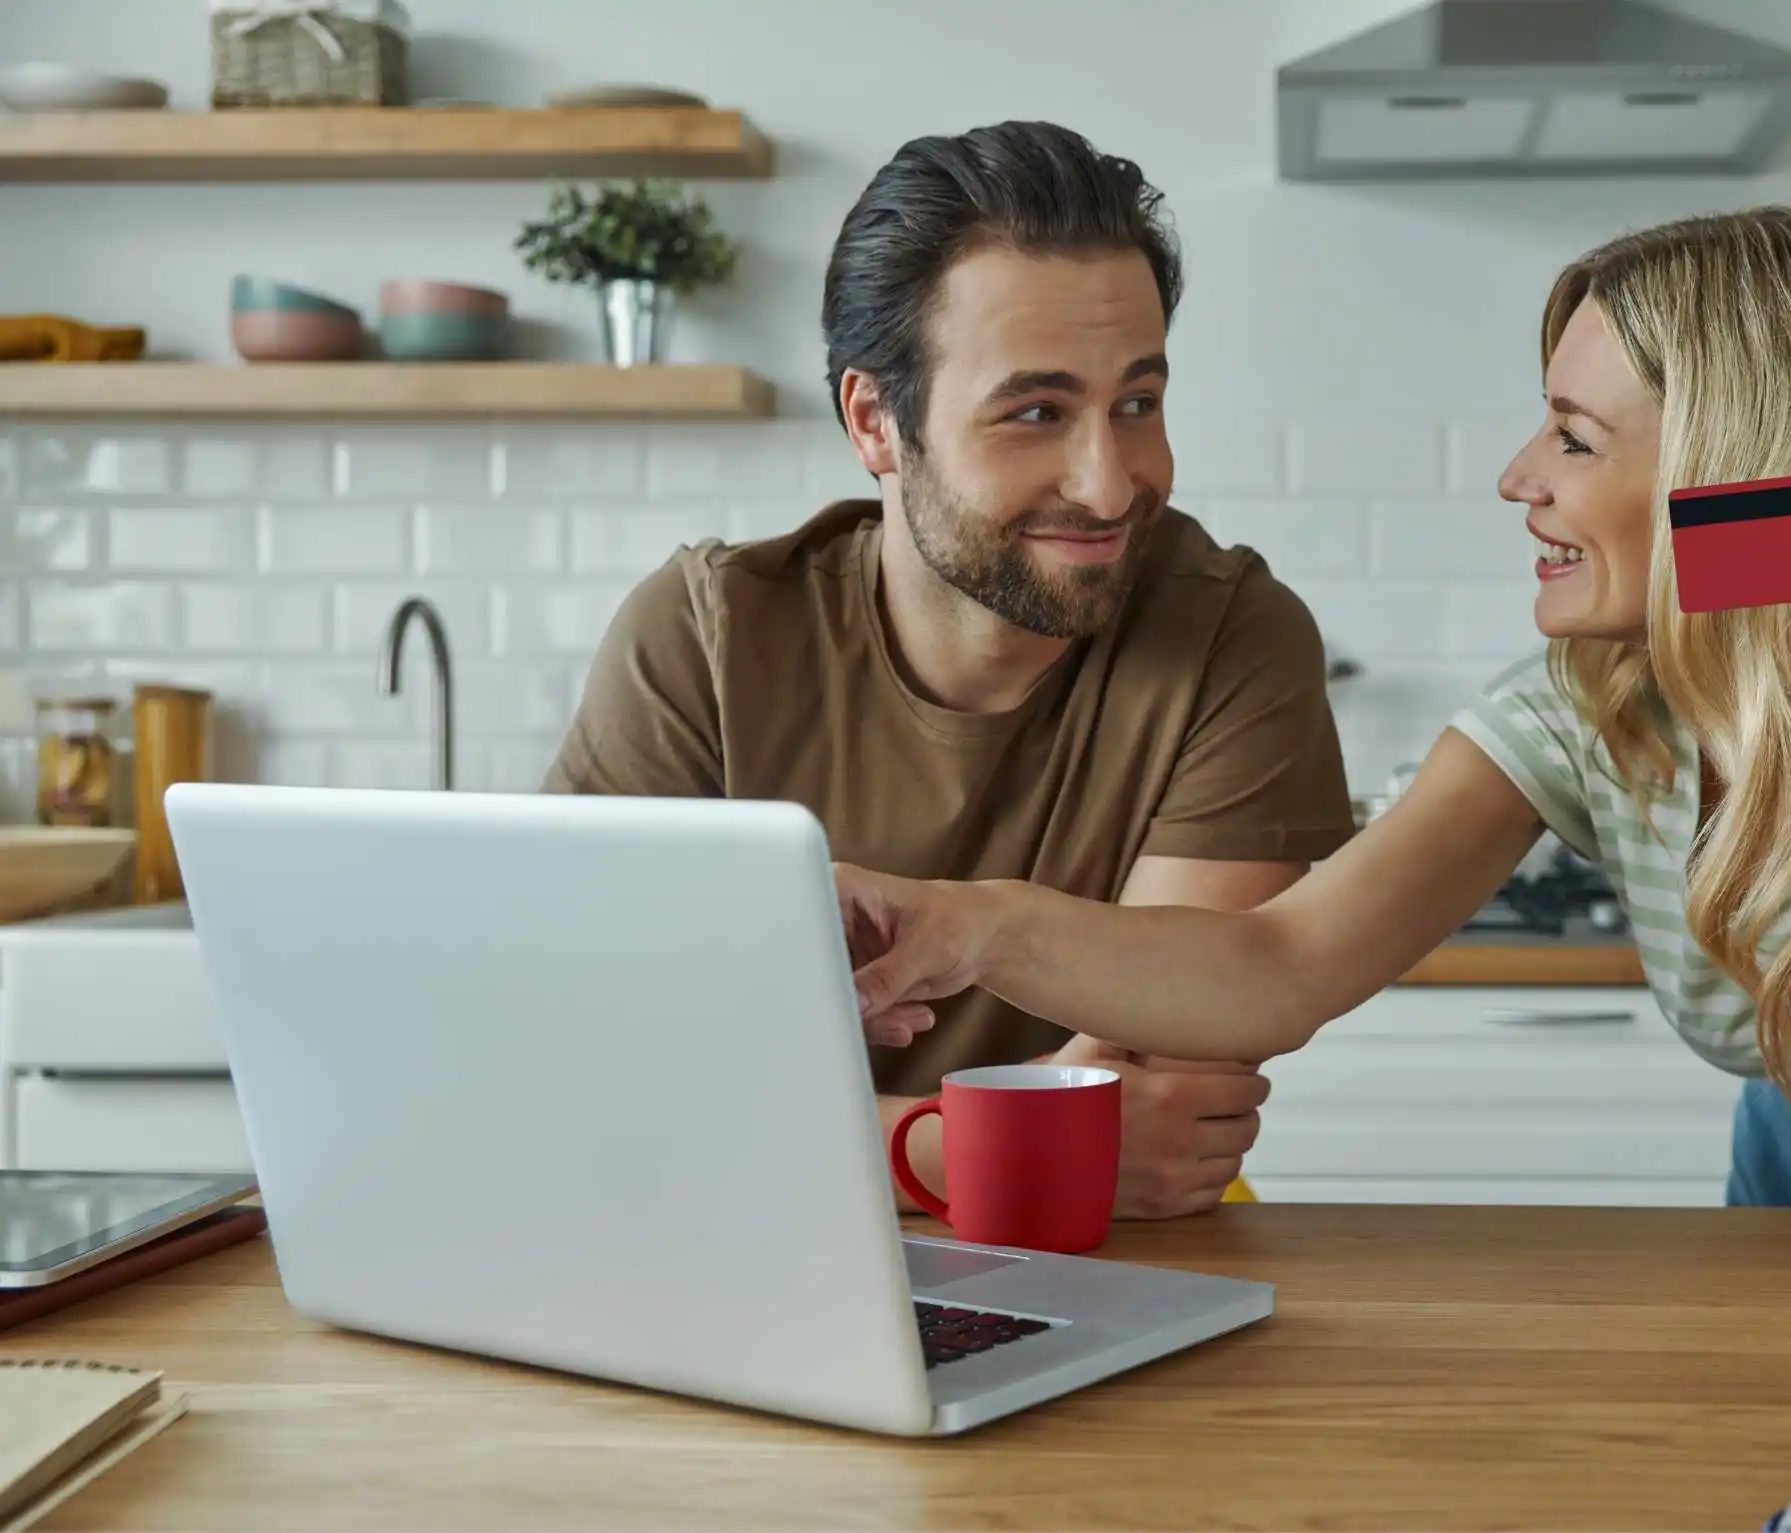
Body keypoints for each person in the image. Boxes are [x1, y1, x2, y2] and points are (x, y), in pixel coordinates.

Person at [839, 206, 1791, 1301]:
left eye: (1573, 437)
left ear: (1744, 475)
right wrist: (971, 929)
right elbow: (1279, 965)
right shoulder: (1595, 695)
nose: (1520, 475)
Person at [544, 121, 1356, 1220]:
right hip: (739, 1240)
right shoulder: (705, 639)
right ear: (877, 421)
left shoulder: (1232, 636)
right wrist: (949, 1156)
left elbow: (1147, 1089)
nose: (1111, 485)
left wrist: (787, 1132)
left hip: (1119, 1258)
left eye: (1137, 405)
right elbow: (589, 1072)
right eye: (1037, 413)